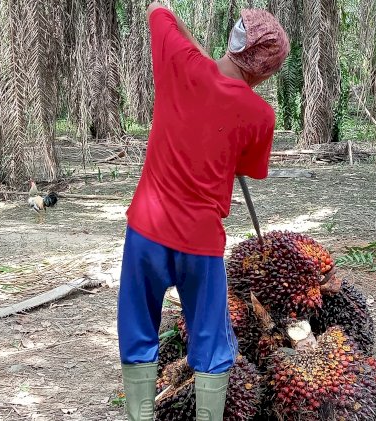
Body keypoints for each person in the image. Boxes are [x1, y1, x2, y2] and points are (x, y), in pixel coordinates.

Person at [116, 3, 290, 420]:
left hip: (146, 232)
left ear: (233, 40)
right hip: (200, 243)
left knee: (138, 329)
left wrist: (192, 46)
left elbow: (160, 12)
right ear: (265, 72)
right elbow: (250, 168)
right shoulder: (261, 115)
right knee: (211, 343)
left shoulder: (180, 61)